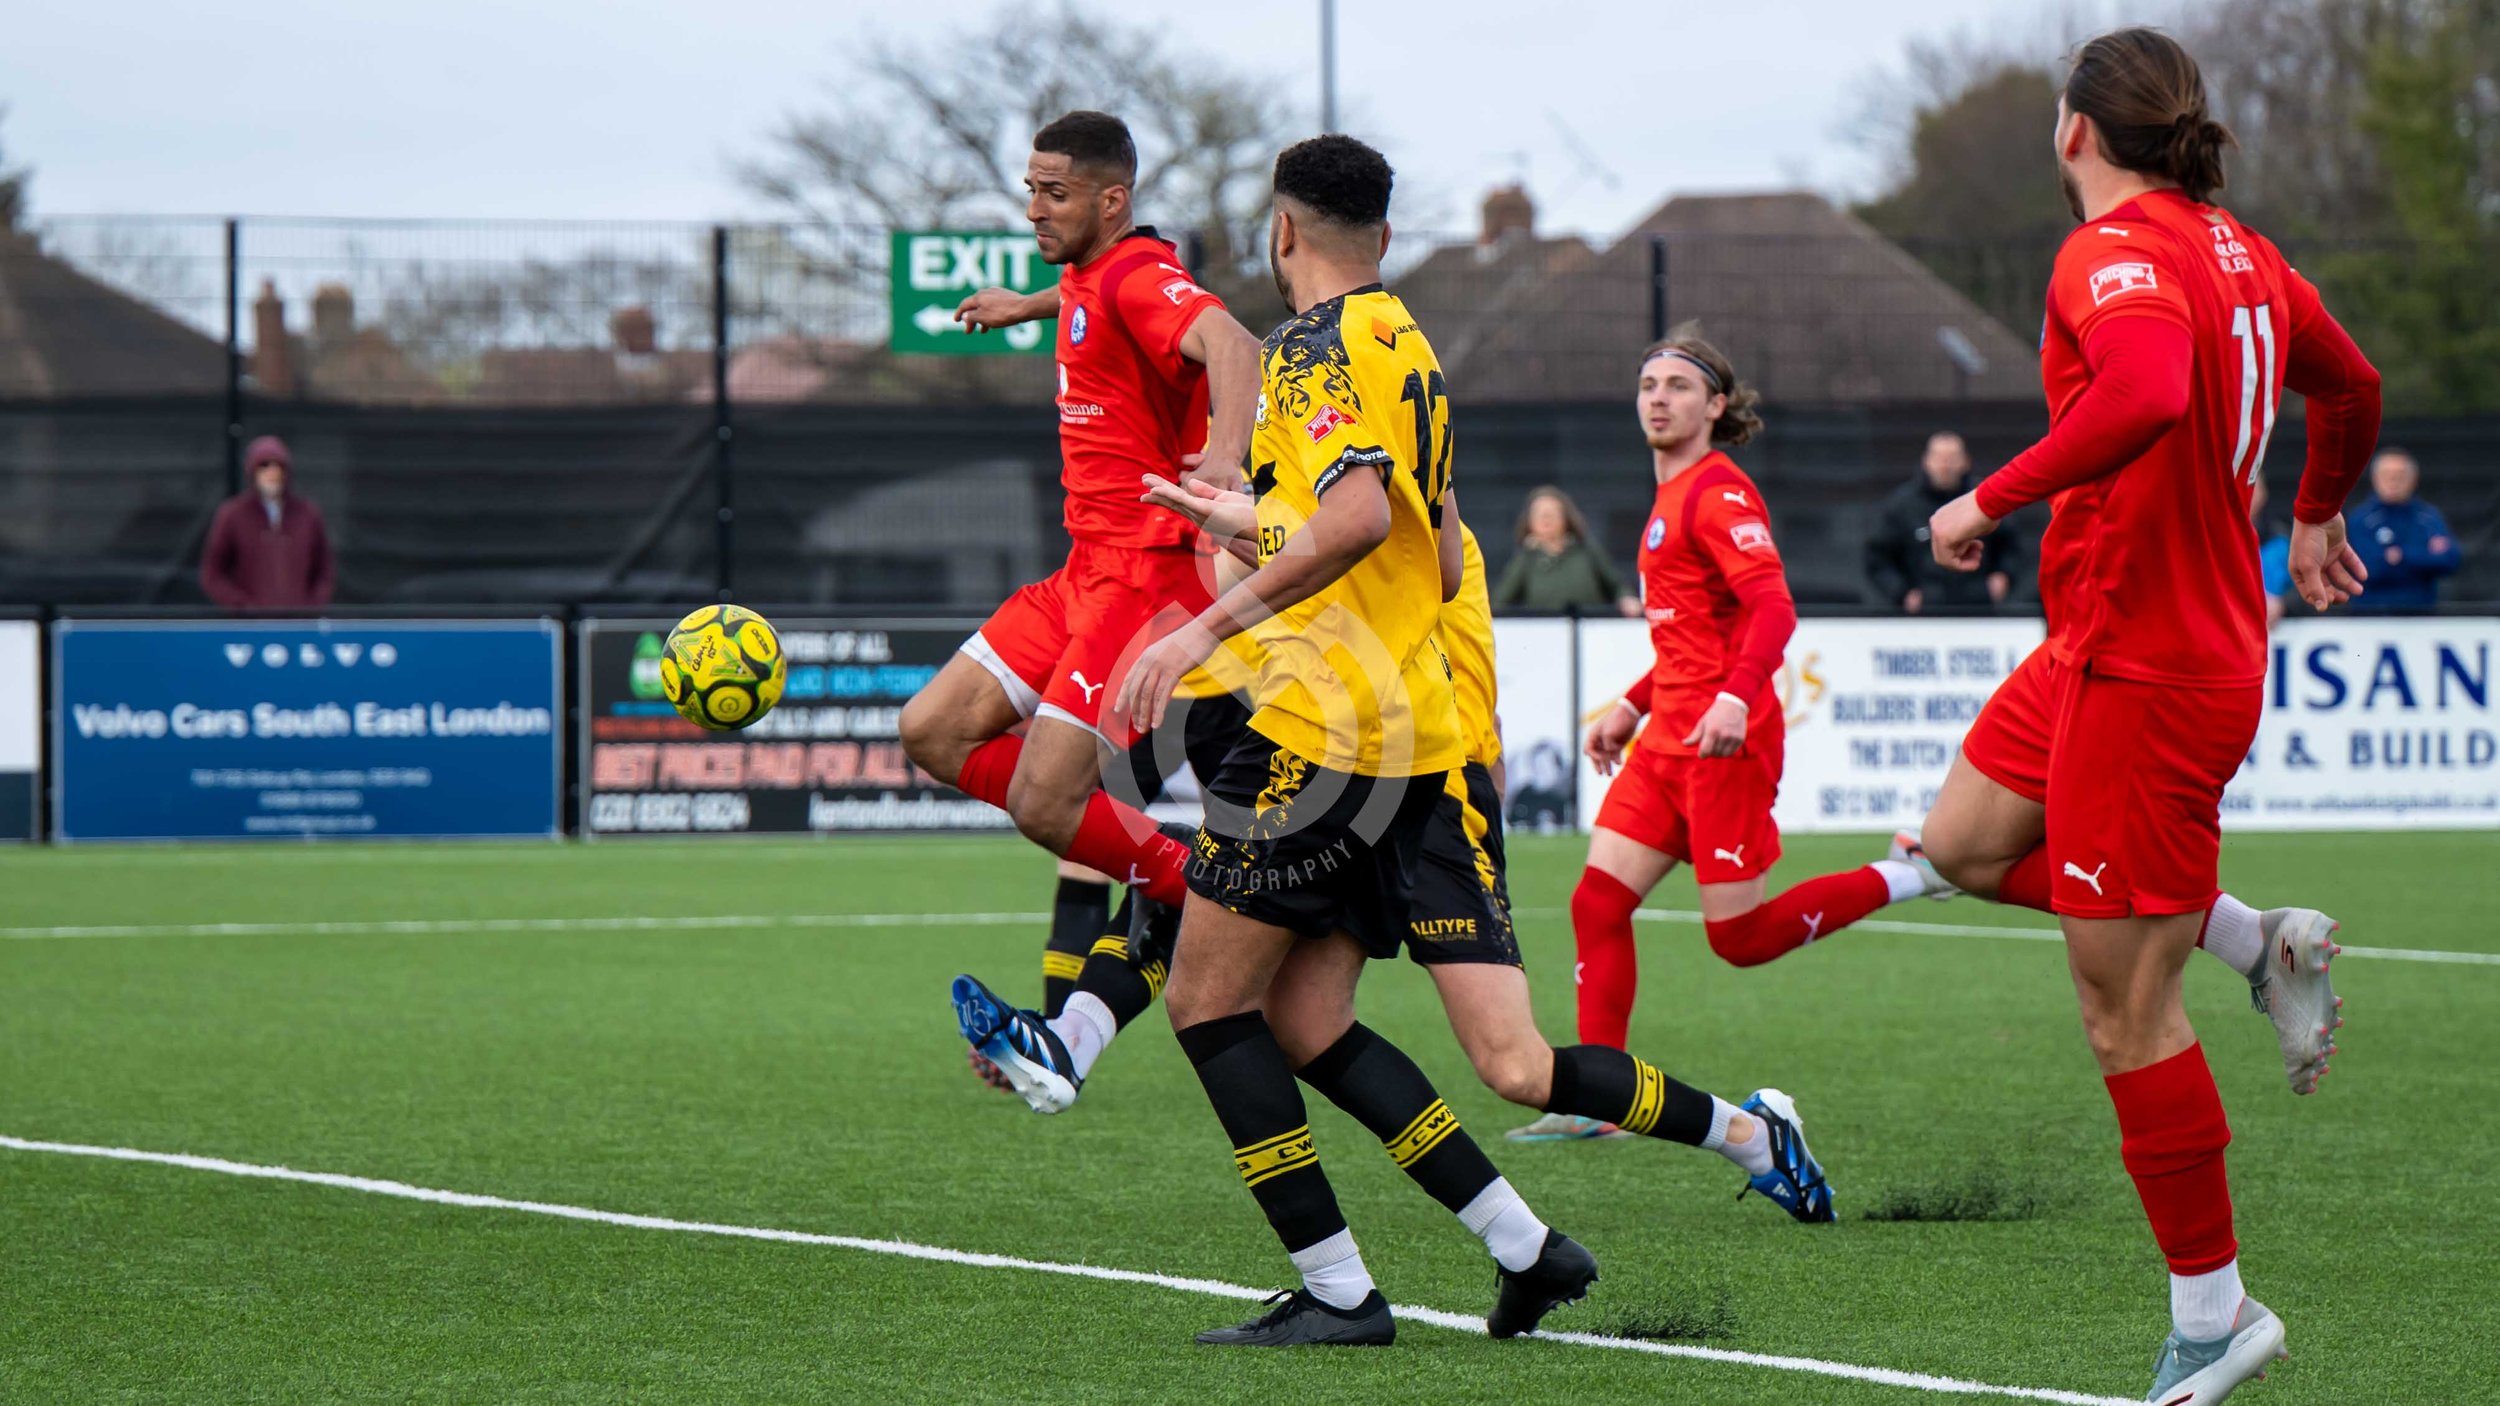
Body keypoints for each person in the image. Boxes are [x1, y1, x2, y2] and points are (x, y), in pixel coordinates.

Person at [964, 135, 1590, 1349]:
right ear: (1386, 238)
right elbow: (1432, 542)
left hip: (1320, 732)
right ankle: (1529, 1245)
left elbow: (1353, 518)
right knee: (1306, 1020)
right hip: (1405, 730)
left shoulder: (1312, 348)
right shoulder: (1405, 342)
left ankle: (1344, 1292)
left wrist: (1200, 624)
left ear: (1281, 232)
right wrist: (1233, 512)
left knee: (1205, 1004)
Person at [951, 520, 1836, 1240]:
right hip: (1344, 786)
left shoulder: (1389, 525)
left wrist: (1204, 539)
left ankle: (1749, 1135)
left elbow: (1294, 555)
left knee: (1517, 1067)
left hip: (1443, 797)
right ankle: (1074, 1038)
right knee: (1226, 923)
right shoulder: (1288, 534)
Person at [1916, 29, 2380, 1401]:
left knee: (2125, 1005)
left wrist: (1985, 497)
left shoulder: (2110, 249)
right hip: (2101, 638)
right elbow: (2346, 385)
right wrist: (2313, 511)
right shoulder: (2241, 249)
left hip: (2158, 667)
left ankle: (2215, 1315)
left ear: (2073, 129)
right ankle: (2260, 939)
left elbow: (2147, 388)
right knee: (1958, 842)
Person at [1543, 331, 1958, 1143]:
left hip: (1725, 741)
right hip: (1667, 736)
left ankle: (1908, 873)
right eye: (1647, 384)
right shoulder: (1668, 496)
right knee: (1597, 901)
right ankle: (1602, 1103)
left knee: (1738, 939)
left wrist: (1735, 698)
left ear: (1716, 406)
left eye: (1678, 387)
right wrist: (1631, 704)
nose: (1658, 398)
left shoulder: (1717, 493)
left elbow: (1772, 609)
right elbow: (1689, 633)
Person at [894, 111, 1265, 923]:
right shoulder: (1090, 275)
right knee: (931, 730)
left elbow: (1235, 345)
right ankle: (1172, 862)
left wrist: (1226, 456)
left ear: (1112, 200)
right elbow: (1083, 297)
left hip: (1147, 580)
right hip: (1085, 572)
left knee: (1044, 806)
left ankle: (1213, 902)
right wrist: (1021, 307)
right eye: (1030, 190)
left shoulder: (1137, 276)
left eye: (1055, 193)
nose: (1033, 209)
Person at [1863, 432, 2015, 613]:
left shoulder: (1983, 499)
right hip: (1923, 613)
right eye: (1939, 458)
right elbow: (1878, 557)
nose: (1945, 466)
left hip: (1980, 608)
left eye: (1951, 458)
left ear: (1965, 461)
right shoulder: (1902, 506)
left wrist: (2003, 577)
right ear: (1926, 461)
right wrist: (1902, 593)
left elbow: (2012, 545)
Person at [200, 435, 335, 613]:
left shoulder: (308, 514)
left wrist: (310, 608)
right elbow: (212, 574)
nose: (272, 472)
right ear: (252, 471)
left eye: (278, 465)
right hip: (250, 632)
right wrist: (243, 607)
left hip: (299, 629)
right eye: (264, 465)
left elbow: (324, 571)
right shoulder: (232, 514)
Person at [1491, 486, 1641, 616]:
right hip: (1541, 635)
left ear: (1566, 518)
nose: (1546, 519)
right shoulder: (1526, 559)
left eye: (1552, 513)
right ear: (1529, 521)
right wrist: (1526, 554)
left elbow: (1617, 586)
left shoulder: (1586, 551)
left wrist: (1626, 599)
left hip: (1590, 634)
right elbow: (1500, 601)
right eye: (1540, 514)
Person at [2347, 448, 2461, 614]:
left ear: (2414, 479)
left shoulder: (2428, 517)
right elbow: (2367, 568)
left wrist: (2401, 556)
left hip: (2422, 615)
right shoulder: (2360, 519)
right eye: (2387, 474)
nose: (2393, 480)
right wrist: (2422, 558)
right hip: (2371, 617)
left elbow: (2448, 560)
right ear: (2375, 478)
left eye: (2400, 475)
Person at [2252, 478, 2295, 628]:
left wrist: (2283, 603)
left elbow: (2307, 583)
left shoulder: (2284, 536)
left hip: (2284, 630)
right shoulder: (2210, 540)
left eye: (2254, 488)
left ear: (2264, 493)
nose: (2249, 493)